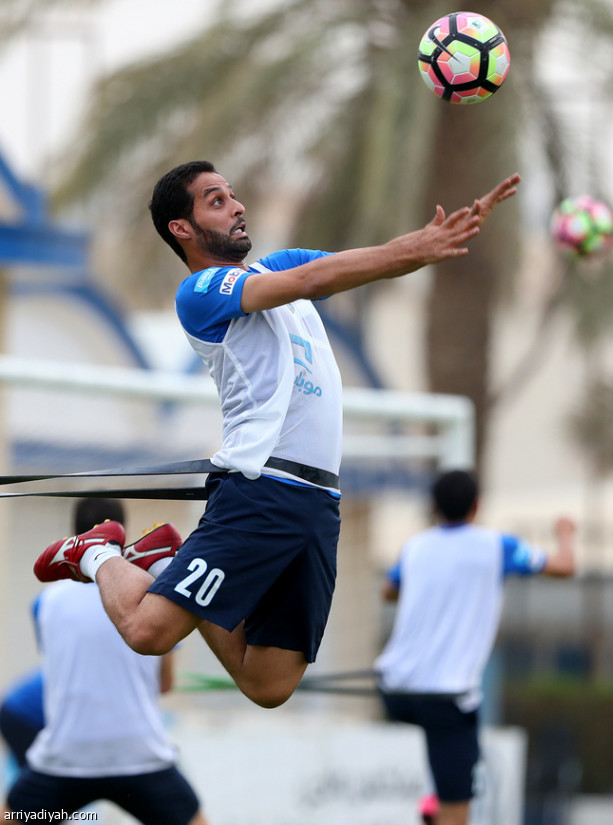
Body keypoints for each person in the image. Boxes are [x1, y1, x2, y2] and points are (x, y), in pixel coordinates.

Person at [32, 160, 521, 709]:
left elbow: (349, 267)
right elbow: (313, 279)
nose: (238, 206)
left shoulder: (278, 270)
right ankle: (99, 553)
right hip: (260, 490)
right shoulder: (201, 291)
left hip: (319, 504)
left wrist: (427, 241)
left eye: (233, 196)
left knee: (268, 685)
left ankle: (168, 563)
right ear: (182, 229)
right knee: (149, 633)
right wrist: (417, 250)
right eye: (216, 200)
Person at [374, 469, 576, 825]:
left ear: (434, 507)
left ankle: (430, 803)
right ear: (476, 506)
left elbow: (388, 591)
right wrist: (565, 535)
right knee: (458, 810)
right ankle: (439, 807)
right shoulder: (497, 546)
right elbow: (564, 567)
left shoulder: (416, 547)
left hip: (395, 690)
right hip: (445, 697)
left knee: (441, 748)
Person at [2, 498, 209, 824]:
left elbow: (57, 672)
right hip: (141, 756)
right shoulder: (154, 595)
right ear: (121, 537)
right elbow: (165, 685)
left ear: (72, 537)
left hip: (65, 758)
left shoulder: (46, 600)